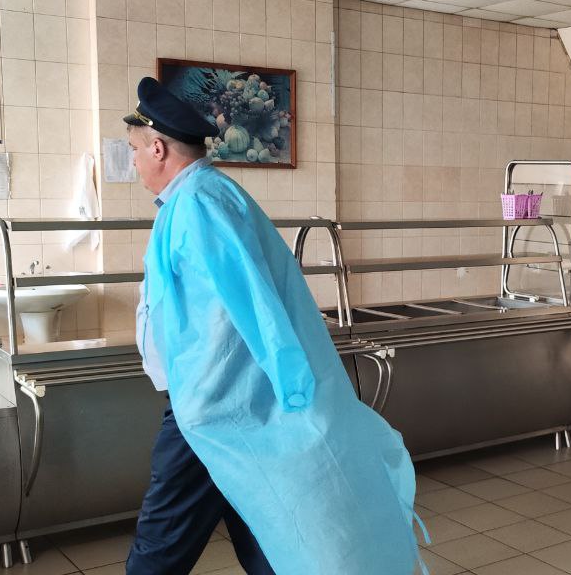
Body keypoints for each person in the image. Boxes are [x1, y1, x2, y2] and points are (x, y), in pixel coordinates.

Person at [123, 77, 420, 573]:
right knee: (265, 522)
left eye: (135, 150)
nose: (133, 162)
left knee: (162, 541)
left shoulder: (199, 204)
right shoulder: (195, 199)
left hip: (212, 405)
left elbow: (253, 303)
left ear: (158, 148)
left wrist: (290, 383)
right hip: (218, 401)